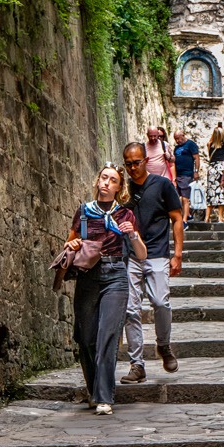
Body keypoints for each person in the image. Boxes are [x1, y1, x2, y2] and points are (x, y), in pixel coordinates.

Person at [60, 164, 147, 412]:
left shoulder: (125, 215)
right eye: (104, 178)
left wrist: (132, 236)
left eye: (113, 180)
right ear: (98, 181)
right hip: (88, 276)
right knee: (86, 339)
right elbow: (69, 243)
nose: (107, 183)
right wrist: (74, 243)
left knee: (107, 336)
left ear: (120, 188)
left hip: (115, 276)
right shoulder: (84, 212)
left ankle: (105, 397)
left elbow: (141, 254)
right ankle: (93, 390)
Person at [121, 139, 183, 380]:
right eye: (128, 164)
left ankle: (164, 345)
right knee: (130, 310)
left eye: (137, 162)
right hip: (130, 257)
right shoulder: (124, 190)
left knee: (160, 302)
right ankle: (137, 364)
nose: (133, 168)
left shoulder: (163, 185)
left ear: (146, 160)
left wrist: (177, 254)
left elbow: (177, 219)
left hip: (157, 252)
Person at [172, 126, 201, 210]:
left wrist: (196, 171)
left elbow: (196, 158)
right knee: (178, 197)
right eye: (175, 139)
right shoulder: (176, 148)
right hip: (178, 175)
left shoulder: (190, 144)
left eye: (178, 138)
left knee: (185, 197)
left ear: (183, 135)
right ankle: (185, 215)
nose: (177, 141)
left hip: (186, 174)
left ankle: (184, 219)